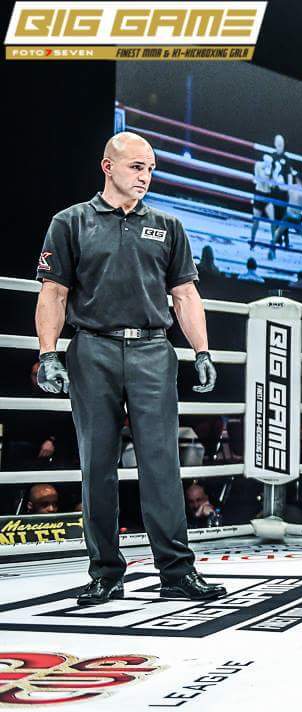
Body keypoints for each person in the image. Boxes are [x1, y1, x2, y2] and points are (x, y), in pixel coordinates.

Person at [34, 131, 225, 606]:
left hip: (153, 351)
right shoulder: (70, 222)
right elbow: (53, 292)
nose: (146, 176)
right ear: (108, 167)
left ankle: (177, 572)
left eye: (151, 168)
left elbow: (185, 294)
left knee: (162, 463)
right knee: (97, 464)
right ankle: (105, 572)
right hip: (92, 349)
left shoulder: (167, 225)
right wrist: (48, 353)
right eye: (137, 166)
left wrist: (202, 351)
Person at [249, 152, 275, 250]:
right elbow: (257, 180)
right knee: (256, 221)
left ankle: (273, 243)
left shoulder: (272, 169)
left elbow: (272, 185)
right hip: (259, 195)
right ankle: (252, 241)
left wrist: (272, 176)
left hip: (268, 195)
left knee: (273, 220)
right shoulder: (258, 165)